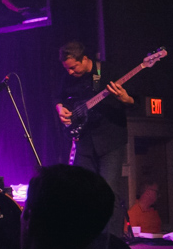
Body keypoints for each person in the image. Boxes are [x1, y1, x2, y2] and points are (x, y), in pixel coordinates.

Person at [55, 41, 134, 236]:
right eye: (67, 69)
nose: (71, 72)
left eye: (73, 67)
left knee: (108, 192)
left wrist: (127, 99)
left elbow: (135, 101)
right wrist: (60, 108)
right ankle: (87, 239)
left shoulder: (108, 71)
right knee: (83, 191)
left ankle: (113, 243)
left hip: (110, 141)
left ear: (85, 59)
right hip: (84, 141)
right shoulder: (68, 79)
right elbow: (58, 97)